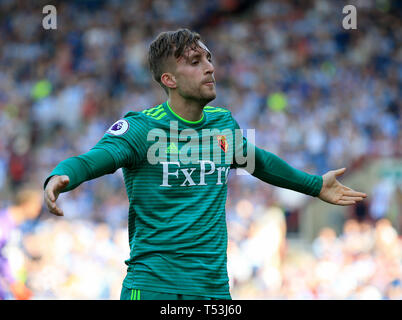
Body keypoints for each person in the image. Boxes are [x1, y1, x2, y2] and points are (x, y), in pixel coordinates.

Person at [43, 28, 367, 300]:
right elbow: (95, 158)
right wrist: (62, 175)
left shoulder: (223, 124)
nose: (209, 68)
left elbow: (259, 161)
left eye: (209, 59)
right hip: (154, 287)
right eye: (196, 62)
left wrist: (313, 184)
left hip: (213, 290)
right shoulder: (142, 128)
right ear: (168, 79)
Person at [0, 188, 42, 299]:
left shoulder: (17, 226)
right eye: (36, 204)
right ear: (26, 204)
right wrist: (13, 282)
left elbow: (9, 254)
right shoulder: (3, 223)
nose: (39, 209)